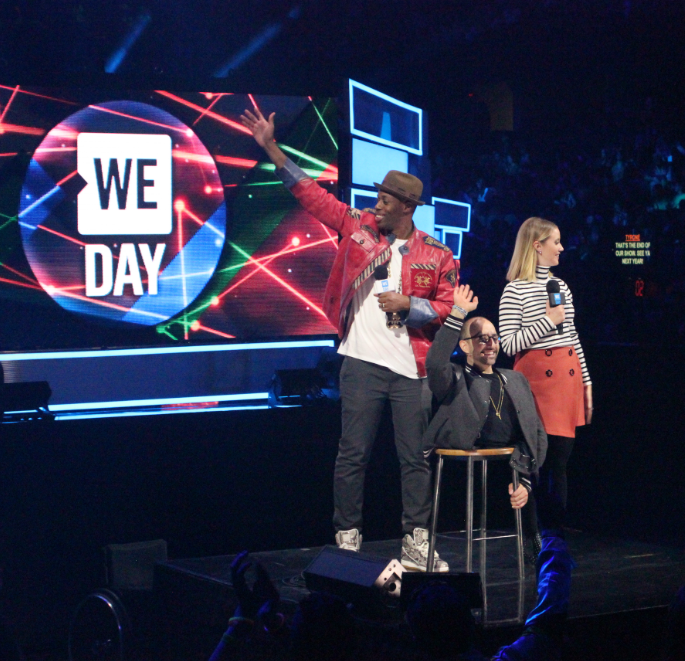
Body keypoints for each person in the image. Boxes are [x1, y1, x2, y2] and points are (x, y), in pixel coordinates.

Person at [241, 106, 457, 571]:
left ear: (407, 207)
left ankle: (417, 543)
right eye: (378, 196)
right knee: (352, 455)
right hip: (360, 362)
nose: (377, 203)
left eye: (386, 199)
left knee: (414, 461)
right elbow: (310, 194)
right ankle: (347, 539)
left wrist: (409, 305)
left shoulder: (437, 254)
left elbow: (446, 307)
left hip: (412, 369)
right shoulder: (357, 227)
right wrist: (270, 147)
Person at [423, 284, 549, 554]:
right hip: (466, 460)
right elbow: (433, 362)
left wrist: (526, 481)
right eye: (482, 338)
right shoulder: (455, 377)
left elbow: (535, 432)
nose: (491, 343)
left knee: (526, 466)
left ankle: (531, 537)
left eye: (494, 337)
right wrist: (457, 313)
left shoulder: (514, 378)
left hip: (511, 462)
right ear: (465, 345)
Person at [499, 217, 592, 517]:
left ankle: (555, 537)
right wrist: (547, 321)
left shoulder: (560, 286)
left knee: (560, 464)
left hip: (567, 378)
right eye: (556, 242)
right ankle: (533, 540)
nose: (562, 248)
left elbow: (572, 334)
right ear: (537, 246)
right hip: (536, 383)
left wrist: (586, 381)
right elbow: (509, 345)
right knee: (536, 462)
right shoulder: (515, 290)